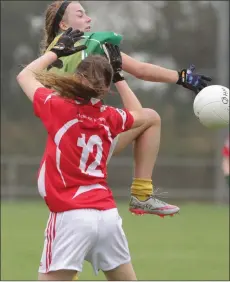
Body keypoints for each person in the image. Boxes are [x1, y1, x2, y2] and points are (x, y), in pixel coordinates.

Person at [38, 0, 189, 218]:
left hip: (66, 150)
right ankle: (141, 195)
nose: (88, 19)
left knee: (72, 221)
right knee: (151, 118)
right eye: (80, 15)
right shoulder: (92, 44)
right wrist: (182, 77)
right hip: (91, 141)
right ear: (63, 25)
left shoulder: (47, 58)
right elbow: (141, 70)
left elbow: (29, 79)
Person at [16, 27, 145, 281]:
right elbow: (139, 114)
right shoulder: (110, 117)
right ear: (105, 88)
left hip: (71, 216)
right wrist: (119, 77)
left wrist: (55, 52)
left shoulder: (57, 107)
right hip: (107, 216)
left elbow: (24, 76)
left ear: (76, 78)